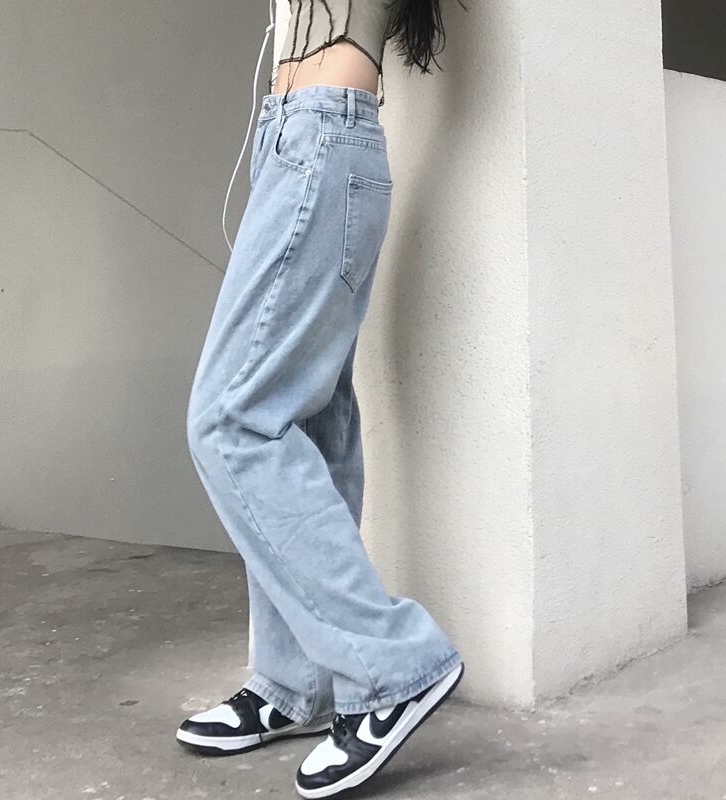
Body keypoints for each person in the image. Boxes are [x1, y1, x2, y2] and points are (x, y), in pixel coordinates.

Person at [178, 1, 468, 796]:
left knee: (229, 420)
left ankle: (394, 662)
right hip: (295, 138)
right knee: (302, 418)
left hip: (321, 137)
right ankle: (296, 681)